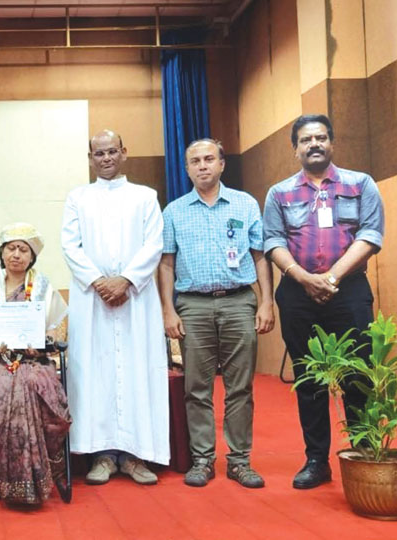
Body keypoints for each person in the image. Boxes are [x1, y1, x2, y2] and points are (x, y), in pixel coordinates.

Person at [262, 114, 384, 489]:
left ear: (331, 143)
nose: (313, 144)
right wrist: (303, 277)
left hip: (349, 291)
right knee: (309, 377)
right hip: (297, 293)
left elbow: (371, 235)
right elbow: (273, 241)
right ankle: (316, 460)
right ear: (295, 148)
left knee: (357, 374)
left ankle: (364, 454)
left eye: (320, 138)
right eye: (306, 139)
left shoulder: (360, 184)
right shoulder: (279, 193)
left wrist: (331, 278)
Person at [158, 138, 275, 489]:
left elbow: (259, 256)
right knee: (197, 388)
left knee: (240, 387)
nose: (202, 166)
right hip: (193, 306)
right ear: (187, 168)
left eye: (209, 159)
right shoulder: (174, 211)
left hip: (239, 302)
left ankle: (239, 461)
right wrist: (168, 310)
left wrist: (266, 302)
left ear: (222, 164)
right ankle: (203, 460)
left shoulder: (244, 204)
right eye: (195, 161)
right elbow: (166, 264)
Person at [61, 129, 168, 486]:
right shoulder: (78, 198)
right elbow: (70, 246)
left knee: (139, 370)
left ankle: (137, 456)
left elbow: (154, 244)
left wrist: (126, 280)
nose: (106, 158)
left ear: (124, 152)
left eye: (111, 151)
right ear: (90, 158)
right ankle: (102, 455)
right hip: (93, 299)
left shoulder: (145, 197)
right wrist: (98, 281)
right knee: (95, 373)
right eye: (99, 153)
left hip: (136, 298)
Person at [0, 222, 70, 505]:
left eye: (24, 250)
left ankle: (39, 473)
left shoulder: (43, 286)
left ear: (32, 257)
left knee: (32, 382)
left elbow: (53, 332)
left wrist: (40, 342)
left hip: (33, 360)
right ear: (2, 252)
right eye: (11, 248)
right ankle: (0, 475)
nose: (17, 254)